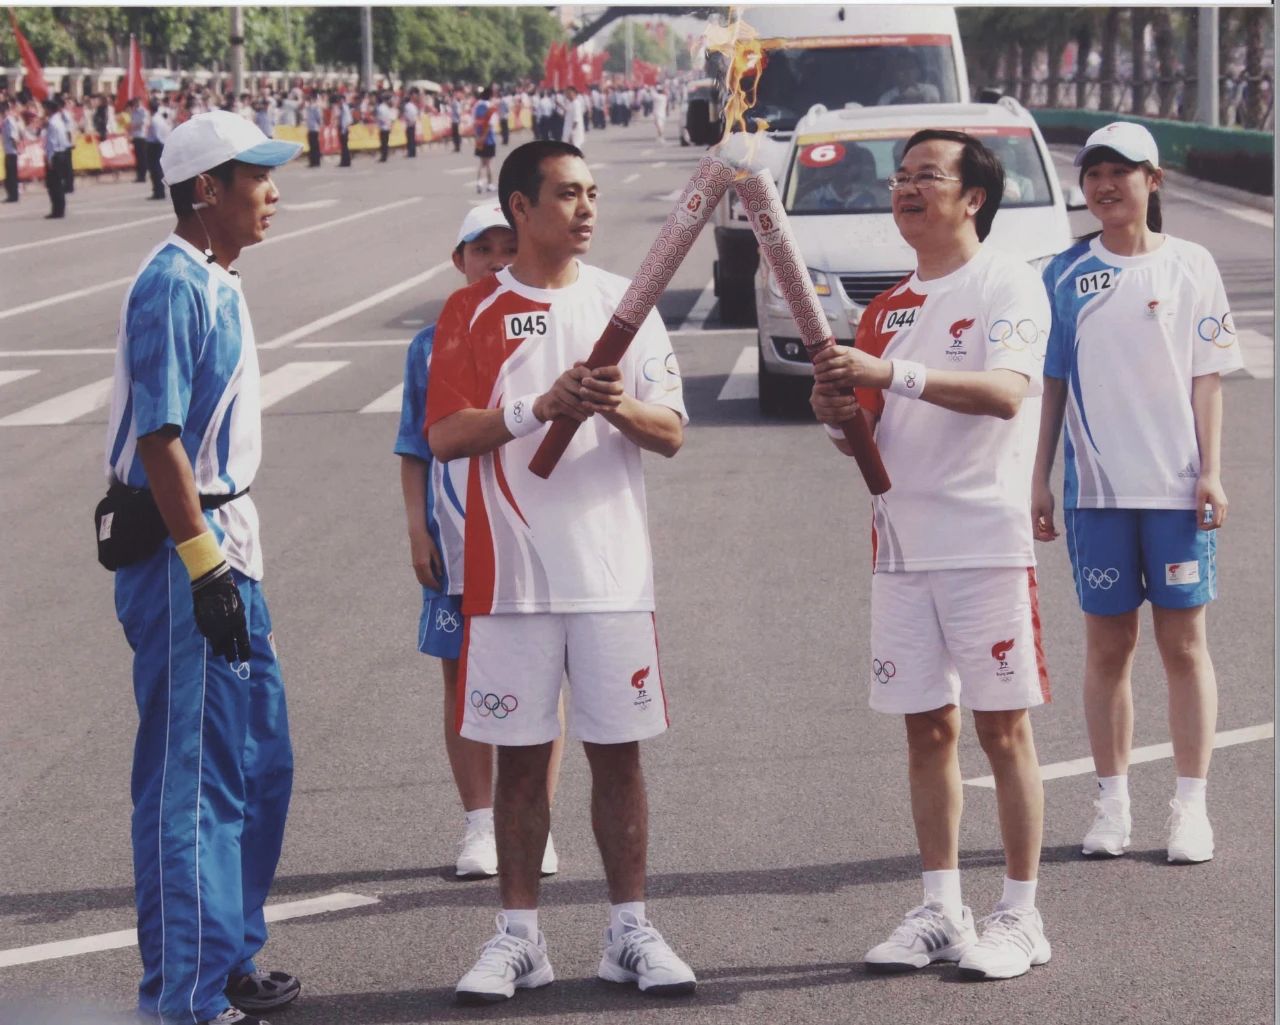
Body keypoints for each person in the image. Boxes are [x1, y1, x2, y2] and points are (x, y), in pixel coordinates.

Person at [426, 140, 696, 1004]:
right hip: (510, 579)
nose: (586, 209)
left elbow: (672, 431)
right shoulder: (471, 309)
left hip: (613, 575)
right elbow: (444, 434)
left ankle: (629, 930)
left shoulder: (627, 303)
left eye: (592, 193)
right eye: (568, 194)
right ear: (520, 206)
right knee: (519, 763)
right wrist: (535, 408)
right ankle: (520, 938)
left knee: (619, 758)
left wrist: (618, 405)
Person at [810, 129, 1053, 981]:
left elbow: (1005, 393)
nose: (906, 189)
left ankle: (1020, 914)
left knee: (1002, 729)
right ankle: (942, 908)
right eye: (900, 178)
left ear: (973, 196)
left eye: (926, 176)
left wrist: (889, 373)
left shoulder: (1007, 283)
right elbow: (868, 436)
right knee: (927, 728)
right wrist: (837, 412)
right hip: (902, 548)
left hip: (985, 543)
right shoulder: (886, 307)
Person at [103, 109, 303, 1025]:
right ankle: (184, 996)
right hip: (185, 551)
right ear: (205, 189)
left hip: (227, 538)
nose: (272, 192)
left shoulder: (217, 274)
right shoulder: (171, 284)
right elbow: (159, 437)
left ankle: (226, 956)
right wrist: (203, 566)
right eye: (256, 176)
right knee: (193, 779)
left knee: (258, 759)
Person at [1031, 122, 1242, 865]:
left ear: (1153, 181)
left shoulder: (1191, 265)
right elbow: (1051, 385)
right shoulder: (1063, 274)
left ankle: (1191, 808)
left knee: (1184, 646)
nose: (1104, 185)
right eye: (1093, 173)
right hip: (1097, 495)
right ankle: (1112, 803)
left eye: (1121, 172)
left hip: (1177, 491)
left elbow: (1207, 377)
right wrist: (1039, 478)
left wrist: (1211, 471)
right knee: (1108, 646)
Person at [397, 203, 565, 879]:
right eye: (482, 249)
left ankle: (535, 821)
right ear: (458, 259)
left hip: (532, 534)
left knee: (540, 675)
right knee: (462, 676)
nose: (496, 261)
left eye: (508, 247)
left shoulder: (550, 326)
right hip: (457, 537)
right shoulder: (430, 343)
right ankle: (480, 823)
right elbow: (415, 447)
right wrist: (418, 529)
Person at [41, 99, 68, 218]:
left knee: (53, 184)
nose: (44, 110)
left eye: (45, 108)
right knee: (58, 183)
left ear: (49, 109)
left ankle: (56, 210)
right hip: (62, 153)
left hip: (55, 155)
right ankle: (60, 209)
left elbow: (52, 143)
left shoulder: (52, 122)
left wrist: (50, 158)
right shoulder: (59, 121)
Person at [877, 56, 942, 105]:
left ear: (918, 71)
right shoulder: (885, 98)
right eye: (902, 68)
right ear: (895, 73)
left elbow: (933, 110)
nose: (907, 72)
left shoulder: (930, 90)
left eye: (911, 67)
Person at [472, 88, 497, 194]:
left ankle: (479, 183)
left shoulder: (476, 106)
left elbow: (474, 123)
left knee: (482, 162)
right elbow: (491, 124)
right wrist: (484, 136)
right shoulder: (490, 107)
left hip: (479, 139)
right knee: (489, 163)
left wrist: (478, 136)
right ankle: (490, 184)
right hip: (489, 139)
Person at [145, 97, 171, 199]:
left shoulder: (155, 120)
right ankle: (159, 191)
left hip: (155, 145)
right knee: (157, 169)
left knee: (155, 170)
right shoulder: (160, 118)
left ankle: (158, 192)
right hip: (159, 144)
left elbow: (157, 135)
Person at [2, 100, 23, 203]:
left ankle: (13, 196)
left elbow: (13, 137)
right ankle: (12, 195)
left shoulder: (9, 121)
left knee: (11, 175)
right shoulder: (7, 121)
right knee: (10, 175)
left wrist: (17, 148)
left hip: (11, 151)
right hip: (9, 151)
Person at [130, 97, 149, 183]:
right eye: (135, 102)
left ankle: (143, 175)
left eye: (138, 102)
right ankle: (139, 176)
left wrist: (134, 126)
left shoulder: (143, 111)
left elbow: (143, 123)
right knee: (138, 157)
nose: (136, 104)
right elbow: (132, 123)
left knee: (142, 157)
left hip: (142, 136)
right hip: (135, 136)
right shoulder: (133, 112)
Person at [560, 85, 585, 149]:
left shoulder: (576, 104)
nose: (567, 95)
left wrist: (572, 133)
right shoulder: (570, 103)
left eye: (569, 93)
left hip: (574, 132)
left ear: (574, 93)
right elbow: (566, 113)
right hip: (568, 129)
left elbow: (576, 120)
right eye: (566, 93)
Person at [333, 92, 352, 168]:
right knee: (344, 146)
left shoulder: (344, 108)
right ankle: (345, 161)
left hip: (344, 129)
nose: (339, 102)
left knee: (344, 146)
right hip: (342, 128)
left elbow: (348, 119)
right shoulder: (341, 108)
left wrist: (345, 128)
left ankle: (345, 161)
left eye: (340, 100)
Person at [306, 92, 324, 168]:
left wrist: (319, 125)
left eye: (311, 99)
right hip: (310, 128)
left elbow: (319, 118)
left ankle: (316, 162)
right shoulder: (308, 108)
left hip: (314, 128)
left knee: (315, 146)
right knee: (311, 146)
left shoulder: (316, 108)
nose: (309, 100)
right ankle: (312, 161)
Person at [403, 89, 420, 158]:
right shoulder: (413, 106)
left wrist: (409, 121)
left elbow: (408, 115)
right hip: (413, 123)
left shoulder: (407, 106)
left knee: (410, 139)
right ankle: (413, 152)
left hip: (410, 124)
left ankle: (411, 153)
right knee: (412, 138)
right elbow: (415, 114)